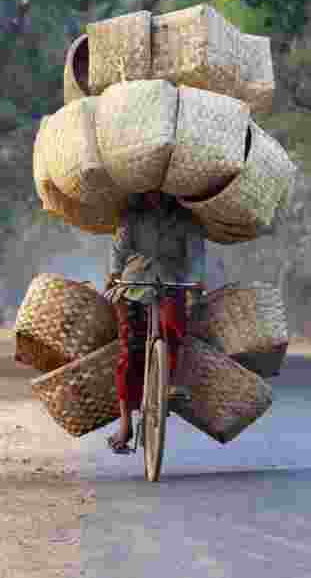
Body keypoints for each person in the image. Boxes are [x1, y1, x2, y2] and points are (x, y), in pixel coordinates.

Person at [104, 191, 206, 454]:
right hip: (133, 285)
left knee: (174, 328)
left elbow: (196, 256)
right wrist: (114, 275)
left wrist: (196, 282)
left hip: (171, 284)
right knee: (129, 353)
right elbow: (118, 250)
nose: (157, 196)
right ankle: (125, 424)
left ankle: (168, 383)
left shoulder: (186, 219)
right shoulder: (131, 217)